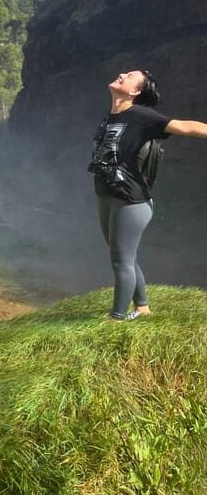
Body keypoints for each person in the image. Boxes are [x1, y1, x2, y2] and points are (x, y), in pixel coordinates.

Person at [89, 70, 207, 321]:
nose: (121, 74)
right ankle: (142, 307)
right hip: (107, 194)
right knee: (122, 256)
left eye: (130, 75)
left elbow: (185, 127)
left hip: (130, 199)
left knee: (121, 260)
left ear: (135, 92)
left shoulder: (140, 115)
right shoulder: (111, 116)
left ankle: (116, 318)